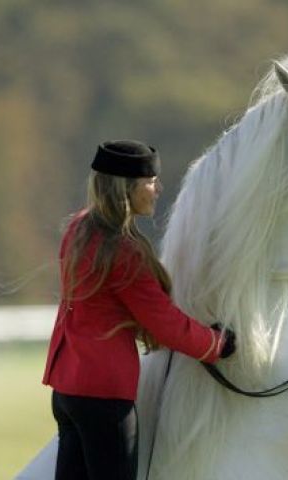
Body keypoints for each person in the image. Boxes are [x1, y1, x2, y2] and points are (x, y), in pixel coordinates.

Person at [42, 140, 235, 480]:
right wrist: (216, 344)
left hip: (67, 391)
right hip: (105, 397)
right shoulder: (124, 252)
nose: (158, 189)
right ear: (126, 190)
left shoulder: (79, 228)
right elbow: (165, 324)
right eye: (150, 181)